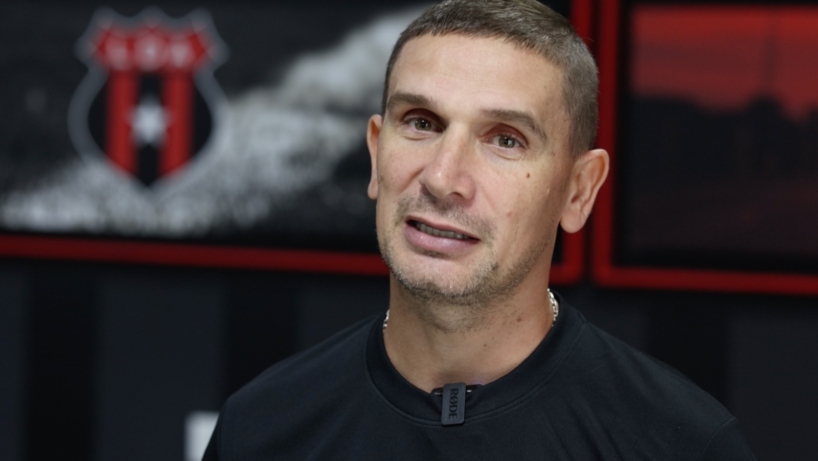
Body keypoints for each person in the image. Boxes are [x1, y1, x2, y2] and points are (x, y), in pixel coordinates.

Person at [203, 0, 755, 459]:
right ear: (375, 153)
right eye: (421, 123)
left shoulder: (682, 445)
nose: (443, 178)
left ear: (578, 191)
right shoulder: (261, 429)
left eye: (505, 139)